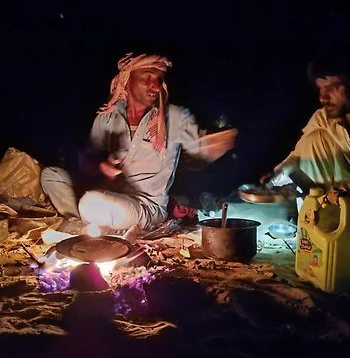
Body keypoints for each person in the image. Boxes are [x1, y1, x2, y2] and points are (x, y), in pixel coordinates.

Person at [41, 53, 237, 234]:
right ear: (127, 78)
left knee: (91, 202)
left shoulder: (175, 118)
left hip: (145, 207)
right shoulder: (108, 116)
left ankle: (87, 223)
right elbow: (88, 161)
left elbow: (200, 148)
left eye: (160, 79)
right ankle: (85, 222)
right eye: (148, 76)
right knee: (51, 175)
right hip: (108, 197)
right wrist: (102, 165)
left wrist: (218, 141)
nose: (156, 85)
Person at [260, 48, 350, 255]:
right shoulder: (324, 118)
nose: (323, 97)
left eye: (333, 87)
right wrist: (277, 176)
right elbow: (298, 155)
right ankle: (335, 230)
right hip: (349, 210)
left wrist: (343, 194)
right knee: (314, 141)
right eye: (320, 88)